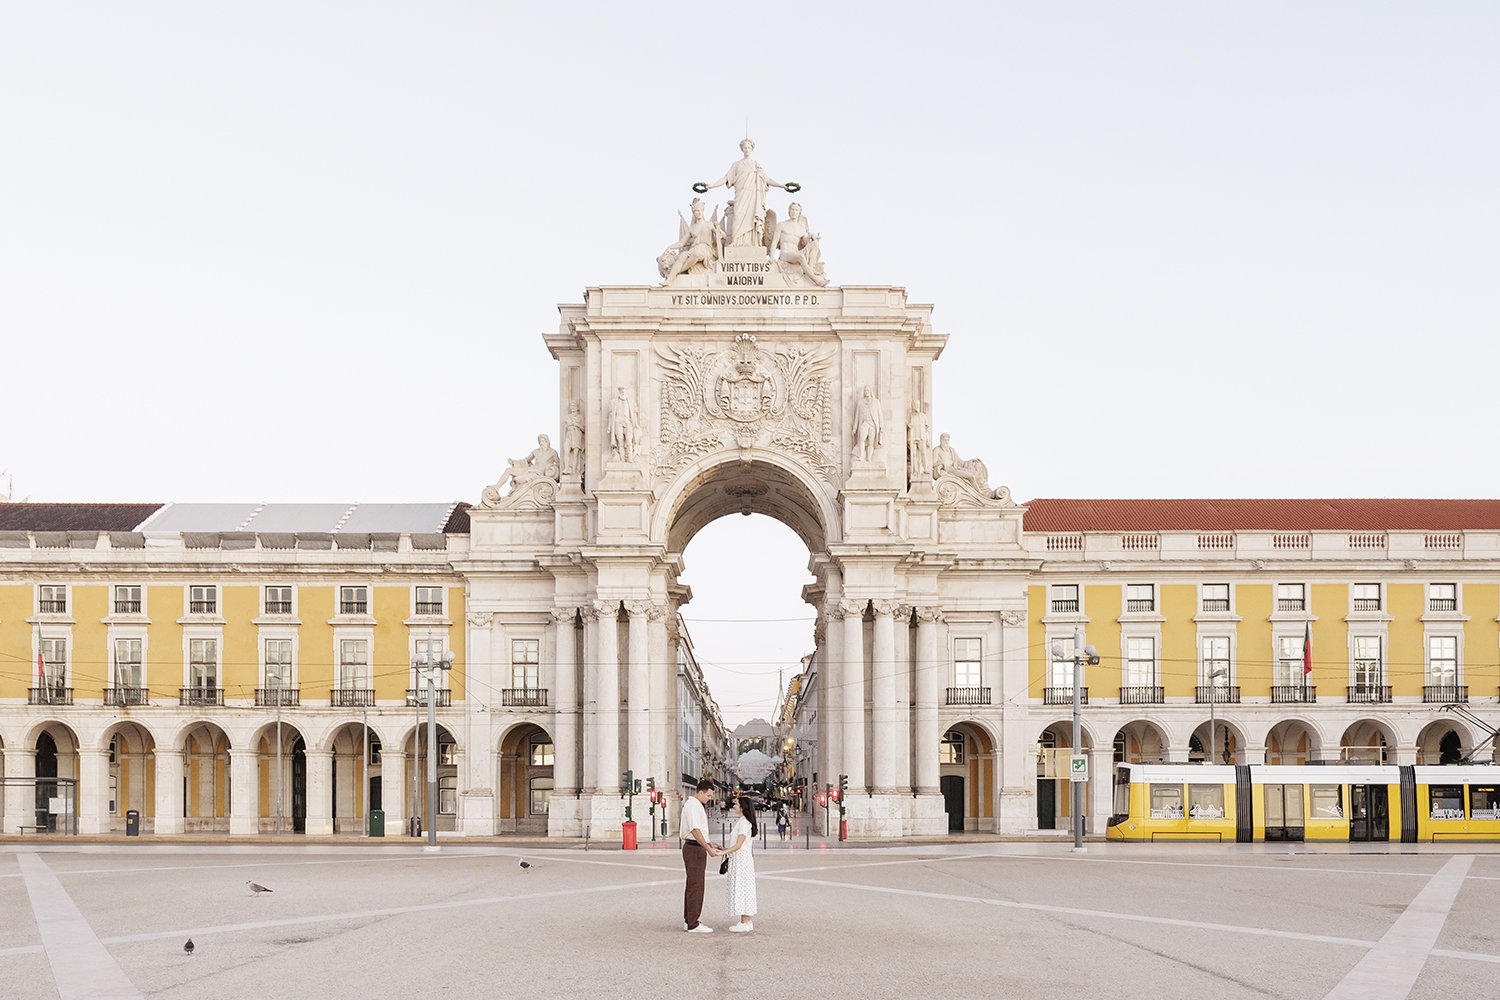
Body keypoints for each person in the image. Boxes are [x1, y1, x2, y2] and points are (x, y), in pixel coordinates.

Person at [700, 139, 788, 248]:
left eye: (749, 148)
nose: (747, 150)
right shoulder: (737, 165)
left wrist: (781, 185)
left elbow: (767, 179)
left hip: (753, 197)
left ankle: (754, 243)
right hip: (741, 196)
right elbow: (726, 178)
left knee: (752, 218)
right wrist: (712, 185)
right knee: (738, 217)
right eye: (745, 148)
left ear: (752, 149)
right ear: (742, 149)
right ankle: (735, 242)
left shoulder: (756, 165)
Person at [680, 779, 720, 933]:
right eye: (708, 796)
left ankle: (689, 920)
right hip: (694, 849)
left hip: (695, 847)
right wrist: (708, 848)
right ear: (701, 792)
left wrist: (710, 843)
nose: (710, 799)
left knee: (693, 885)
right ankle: (693, 924)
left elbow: (698, 831)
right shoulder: (693, 806)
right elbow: (695, 830)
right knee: (696, 886)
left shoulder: (695, 805)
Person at [722, 796, 759, 933]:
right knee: (745, 888)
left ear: (743, 807)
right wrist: (725, 849)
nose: (734, 806)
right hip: (741, 858)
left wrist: (723, 852)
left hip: (740, 859)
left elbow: (739, 845)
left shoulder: (744, 823)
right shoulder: (744, 821)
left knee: (742, 887)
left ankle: (745, 922)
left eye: (736, 804)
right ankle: (746, 921)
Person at [771, 202, 828, 286]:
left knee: (814, 244)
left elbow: (805, 241)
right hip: (785, 253)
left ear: (799, 213)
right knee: (800, 257)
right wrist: (772, 256)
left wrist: (812, 236)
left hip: (796, 253)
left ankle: (810, 268)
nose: (794, 212)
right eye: (792, 209)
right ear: (789, 211)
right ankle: (816, 280)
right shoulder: (782, 225)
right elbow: (774, 242)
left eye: (796, 210)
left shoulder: (801, 228)